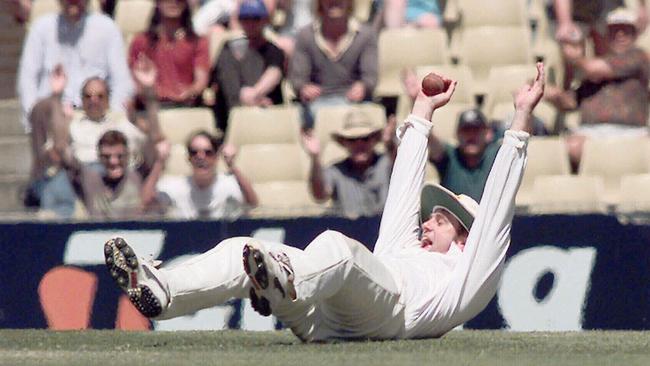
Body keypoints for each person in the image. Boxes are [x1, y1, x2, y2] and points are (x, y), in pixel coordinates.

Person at [104, 63, 545, 341]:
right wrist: (422, 111)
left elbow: (499, 209)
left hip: (392, 315)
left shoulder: (470, 272)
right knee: (244, 249)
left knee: (338, 247)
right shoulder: (403, 249)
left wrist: (520, 120)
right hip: (326, 317)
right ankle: (165, 294)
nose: (427, 224)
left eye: (442, 222)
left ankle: (284, 286)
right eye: (431, 220)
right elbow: (404, 190)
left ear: (469, 237)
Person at [29, 57, 164, 218]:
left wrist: (149, 91)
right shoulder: (73, 123)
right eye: (88, 96)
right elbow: (60, 146)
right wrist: (57, 96)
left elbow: (154, 141)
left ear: (108, 99)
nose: (94, 100)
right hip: (83, 177)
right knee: (57, 182)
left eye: (100, 96)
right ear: (82, 99)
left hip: (122, 173)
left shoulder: (121, 121)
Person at [17, 0, 134, 186]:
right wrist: (33, 118)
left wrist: (113, 113)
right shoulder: (41, 27)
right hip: (54, 111)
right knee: (40, 109)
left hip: (96, 106)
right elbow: (27, 78)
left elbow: (122, 80)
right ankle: (43, 182)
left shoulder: (106, 27)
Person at [545, 8, 649, 171]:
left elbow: (594, 69)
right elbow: (570, 102)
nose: (620, 35)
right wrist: (549, 93)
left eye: (625, 30)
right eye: (614, 30)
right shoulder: (592, 68)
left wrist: (574, 57)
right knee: (566, 148)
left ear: (635, 35)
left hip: (633, 133)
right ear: (606, 35)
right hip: (591, 134)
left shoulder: (639, 57)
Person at [289, 0, 378, 127]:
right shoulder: (305, 35)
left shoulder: (366, 35)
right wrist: (304, 88)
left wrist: (363, 86)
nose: (334, 2)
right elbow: (297, 79)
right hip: (317, 103)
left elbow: (370, 77)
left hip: (354, 104)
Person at [301, 109, 394, 218]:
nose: (359, 144)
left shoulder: (387, 163)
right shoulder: (336, 170)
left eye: (365, 138)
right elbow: (319, 195)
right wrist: (315, 158)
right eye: (352, 139)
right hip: (348, 231)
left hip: (386, 229)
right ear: (344, 142)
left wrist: (391, 145)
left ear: (374, 140)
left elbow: (401, 167)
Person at [211, 0, 285, 131]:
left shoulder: (274, 50)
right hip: (232, 121)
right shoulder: (228, 49)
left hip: (266, 119)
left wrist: (254, 94)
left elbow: (275, 72)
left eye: (256, 18)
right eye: (245, 19)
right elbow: (227, 87)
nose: (250, 23)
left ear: (265, 20)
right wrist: (247, 100)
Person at [156, 130, 258, 219]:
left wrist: (231, 165)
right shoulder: (176, 186)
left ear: (216, 157)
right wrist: (159, 162)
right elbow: (146, 205)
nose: (201, 157)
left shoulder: (229, 183)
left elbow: (253, 203)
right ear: (188, 158)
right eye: (194, 152)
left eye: (208, 152)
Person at [128, 0, 210, 107]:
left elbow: (200, 82)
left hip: (184, 106)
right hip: (151, 106)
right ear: (157, 3)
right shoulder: (141, 41)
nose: (173, 2)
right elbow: (133, 81)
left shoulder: (198, 42)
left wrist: (186, 94)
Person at [428, 109, 500, 203]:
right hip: (455, 216)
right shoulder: (449, 157)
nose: (471, 136)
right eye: (466, 130)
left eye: (476, 130)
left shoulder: (497, 155)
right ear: (457, 134)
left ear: (488, 134)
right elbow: (433, 142)